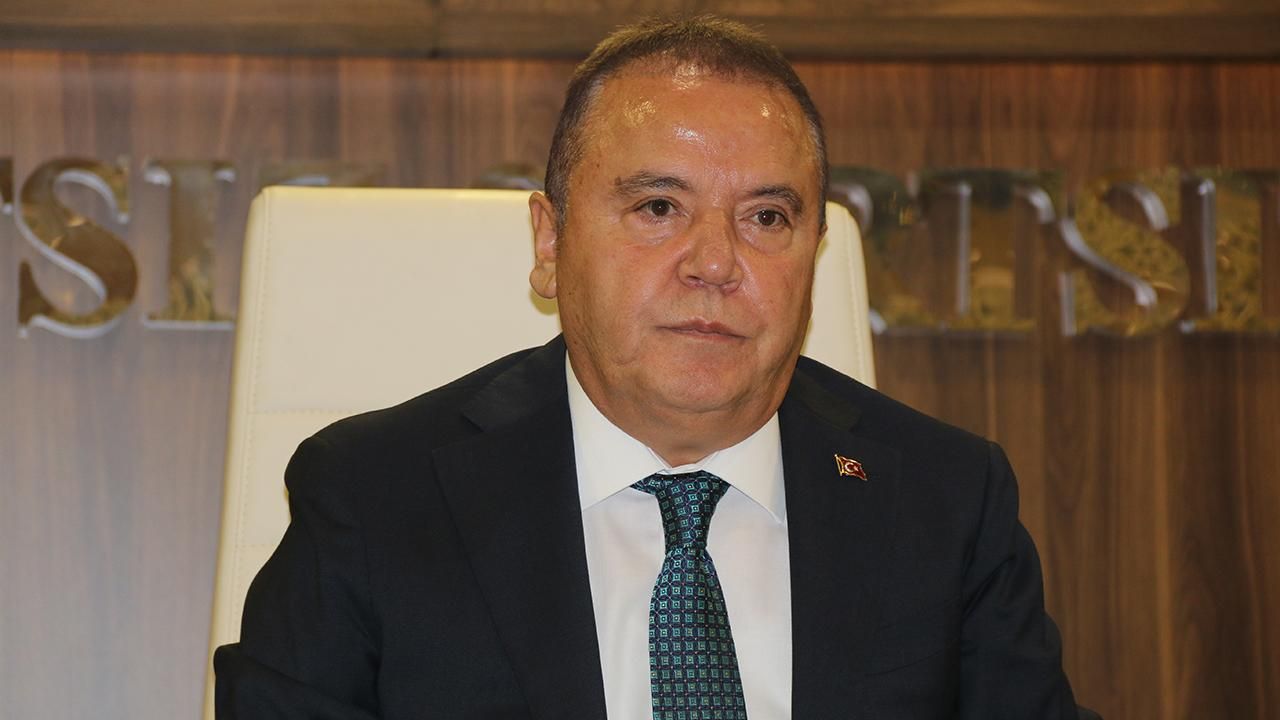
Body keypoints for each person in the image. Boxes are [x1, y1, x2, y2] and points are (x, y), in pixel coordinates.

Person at [215, 15, 1084, 720]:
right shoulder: (374, 498)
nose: (716, 263)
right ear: (550, 243)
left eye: (768, 218)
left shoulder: (944, 500)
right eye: (659, 206)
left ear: (813, 252)